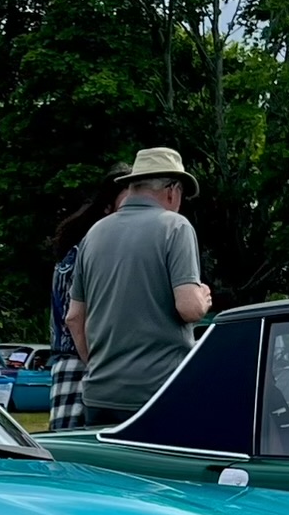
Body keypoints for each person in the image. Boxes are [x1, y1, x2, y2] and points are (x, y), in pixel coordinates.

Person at [65, 147, 212, 428]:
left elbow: (73, 318)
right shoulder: (175, 227)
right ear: (172, 190)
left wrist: (97, 367)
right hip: (158, 392)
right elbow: (189, 308)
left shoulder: (94, 233)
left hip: (99, 394)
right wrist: (203, 297)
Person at [44, 164, 133, 431]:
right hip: (78, 363)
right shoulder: (84, 253)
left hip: (89, 363)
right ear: (107, 207)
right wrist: (96, 366)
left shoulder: (90, 249)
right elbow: (74, 319)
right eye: (128, 204)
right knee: (70, 446)